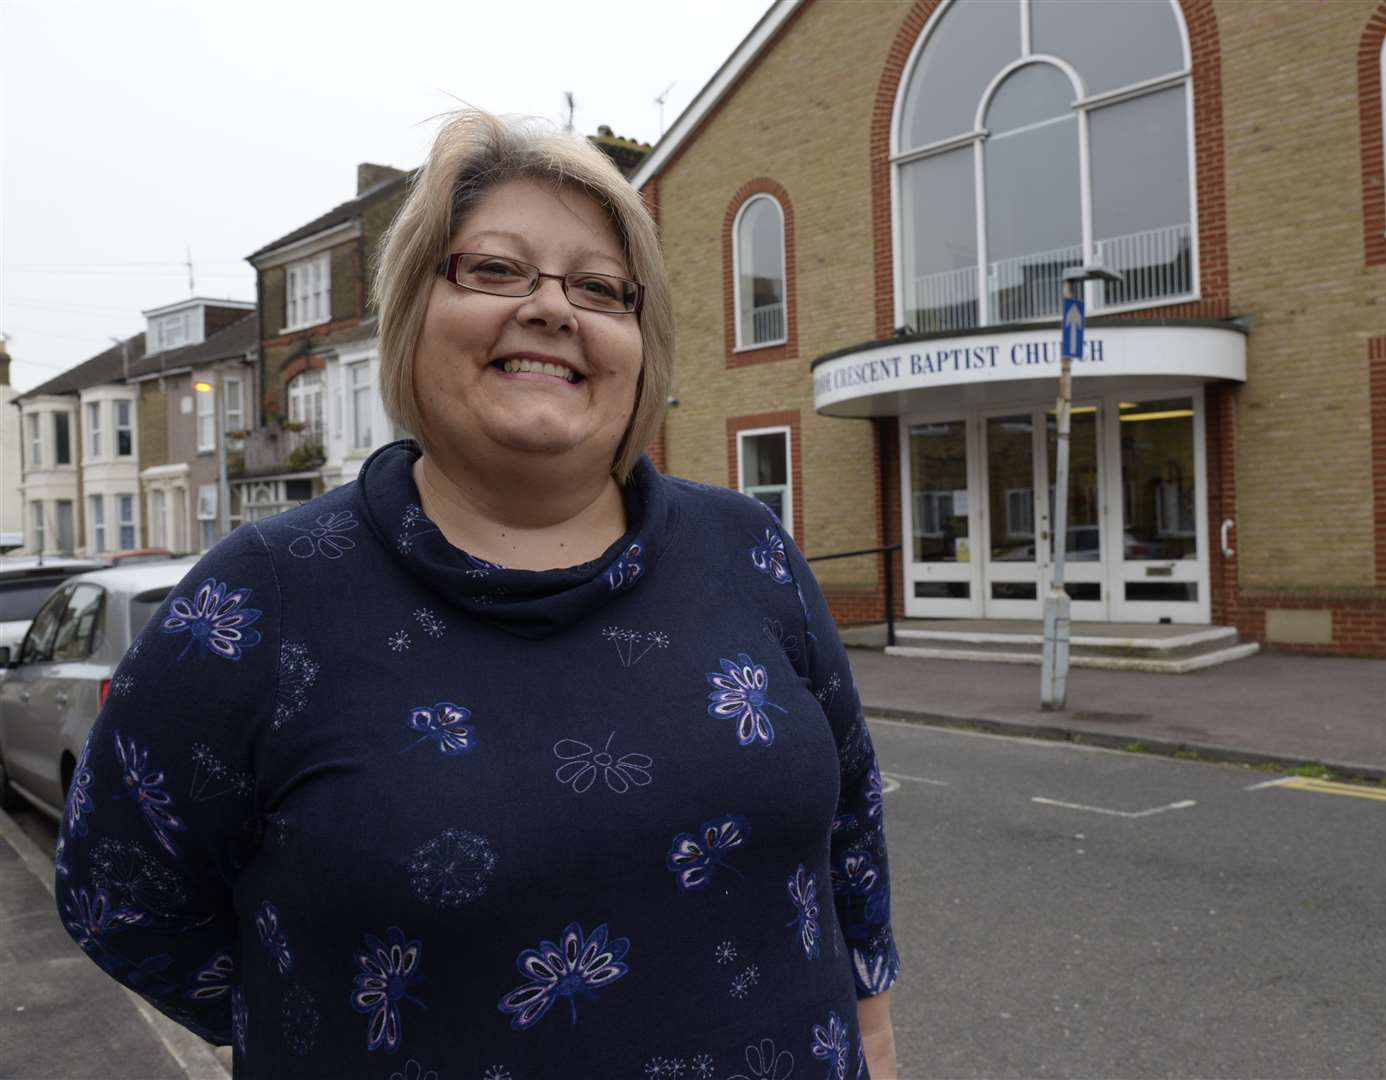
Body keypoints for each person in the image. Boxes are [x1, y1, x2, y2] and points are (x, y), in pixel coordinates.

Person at [56, 109, 899, 1078]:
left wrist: (872, 1039)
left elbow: (848, 833)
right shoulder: (265, 597)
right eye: (494, 269)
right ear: (414, 314)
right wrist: (320, 1016)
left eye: (598, 287)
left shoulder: (747, 549)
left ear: (639, 342)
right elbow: (121, 896)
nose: (552, 308)